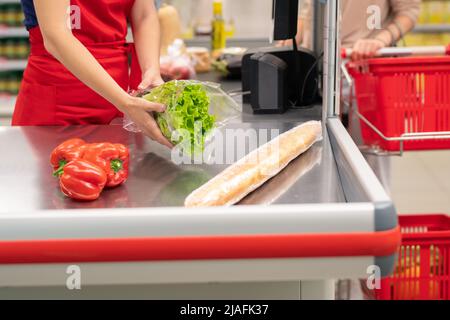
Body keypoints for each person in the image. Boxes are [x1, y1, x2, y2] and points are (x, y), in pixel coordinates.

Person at [13, 0, 173, 148]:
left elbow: (144, 15)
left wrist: (151, 70)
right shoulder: (125, 102)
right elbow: (56, 35)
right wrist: (125, 102)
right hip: (60, 104)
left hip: (118, 102)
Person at [281, 0, 421, 61]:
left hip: (356, 66)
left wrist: (379, 41)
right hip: (312, 68)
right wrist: (286, 47)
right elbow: (308, 12)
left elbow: (408, 13)